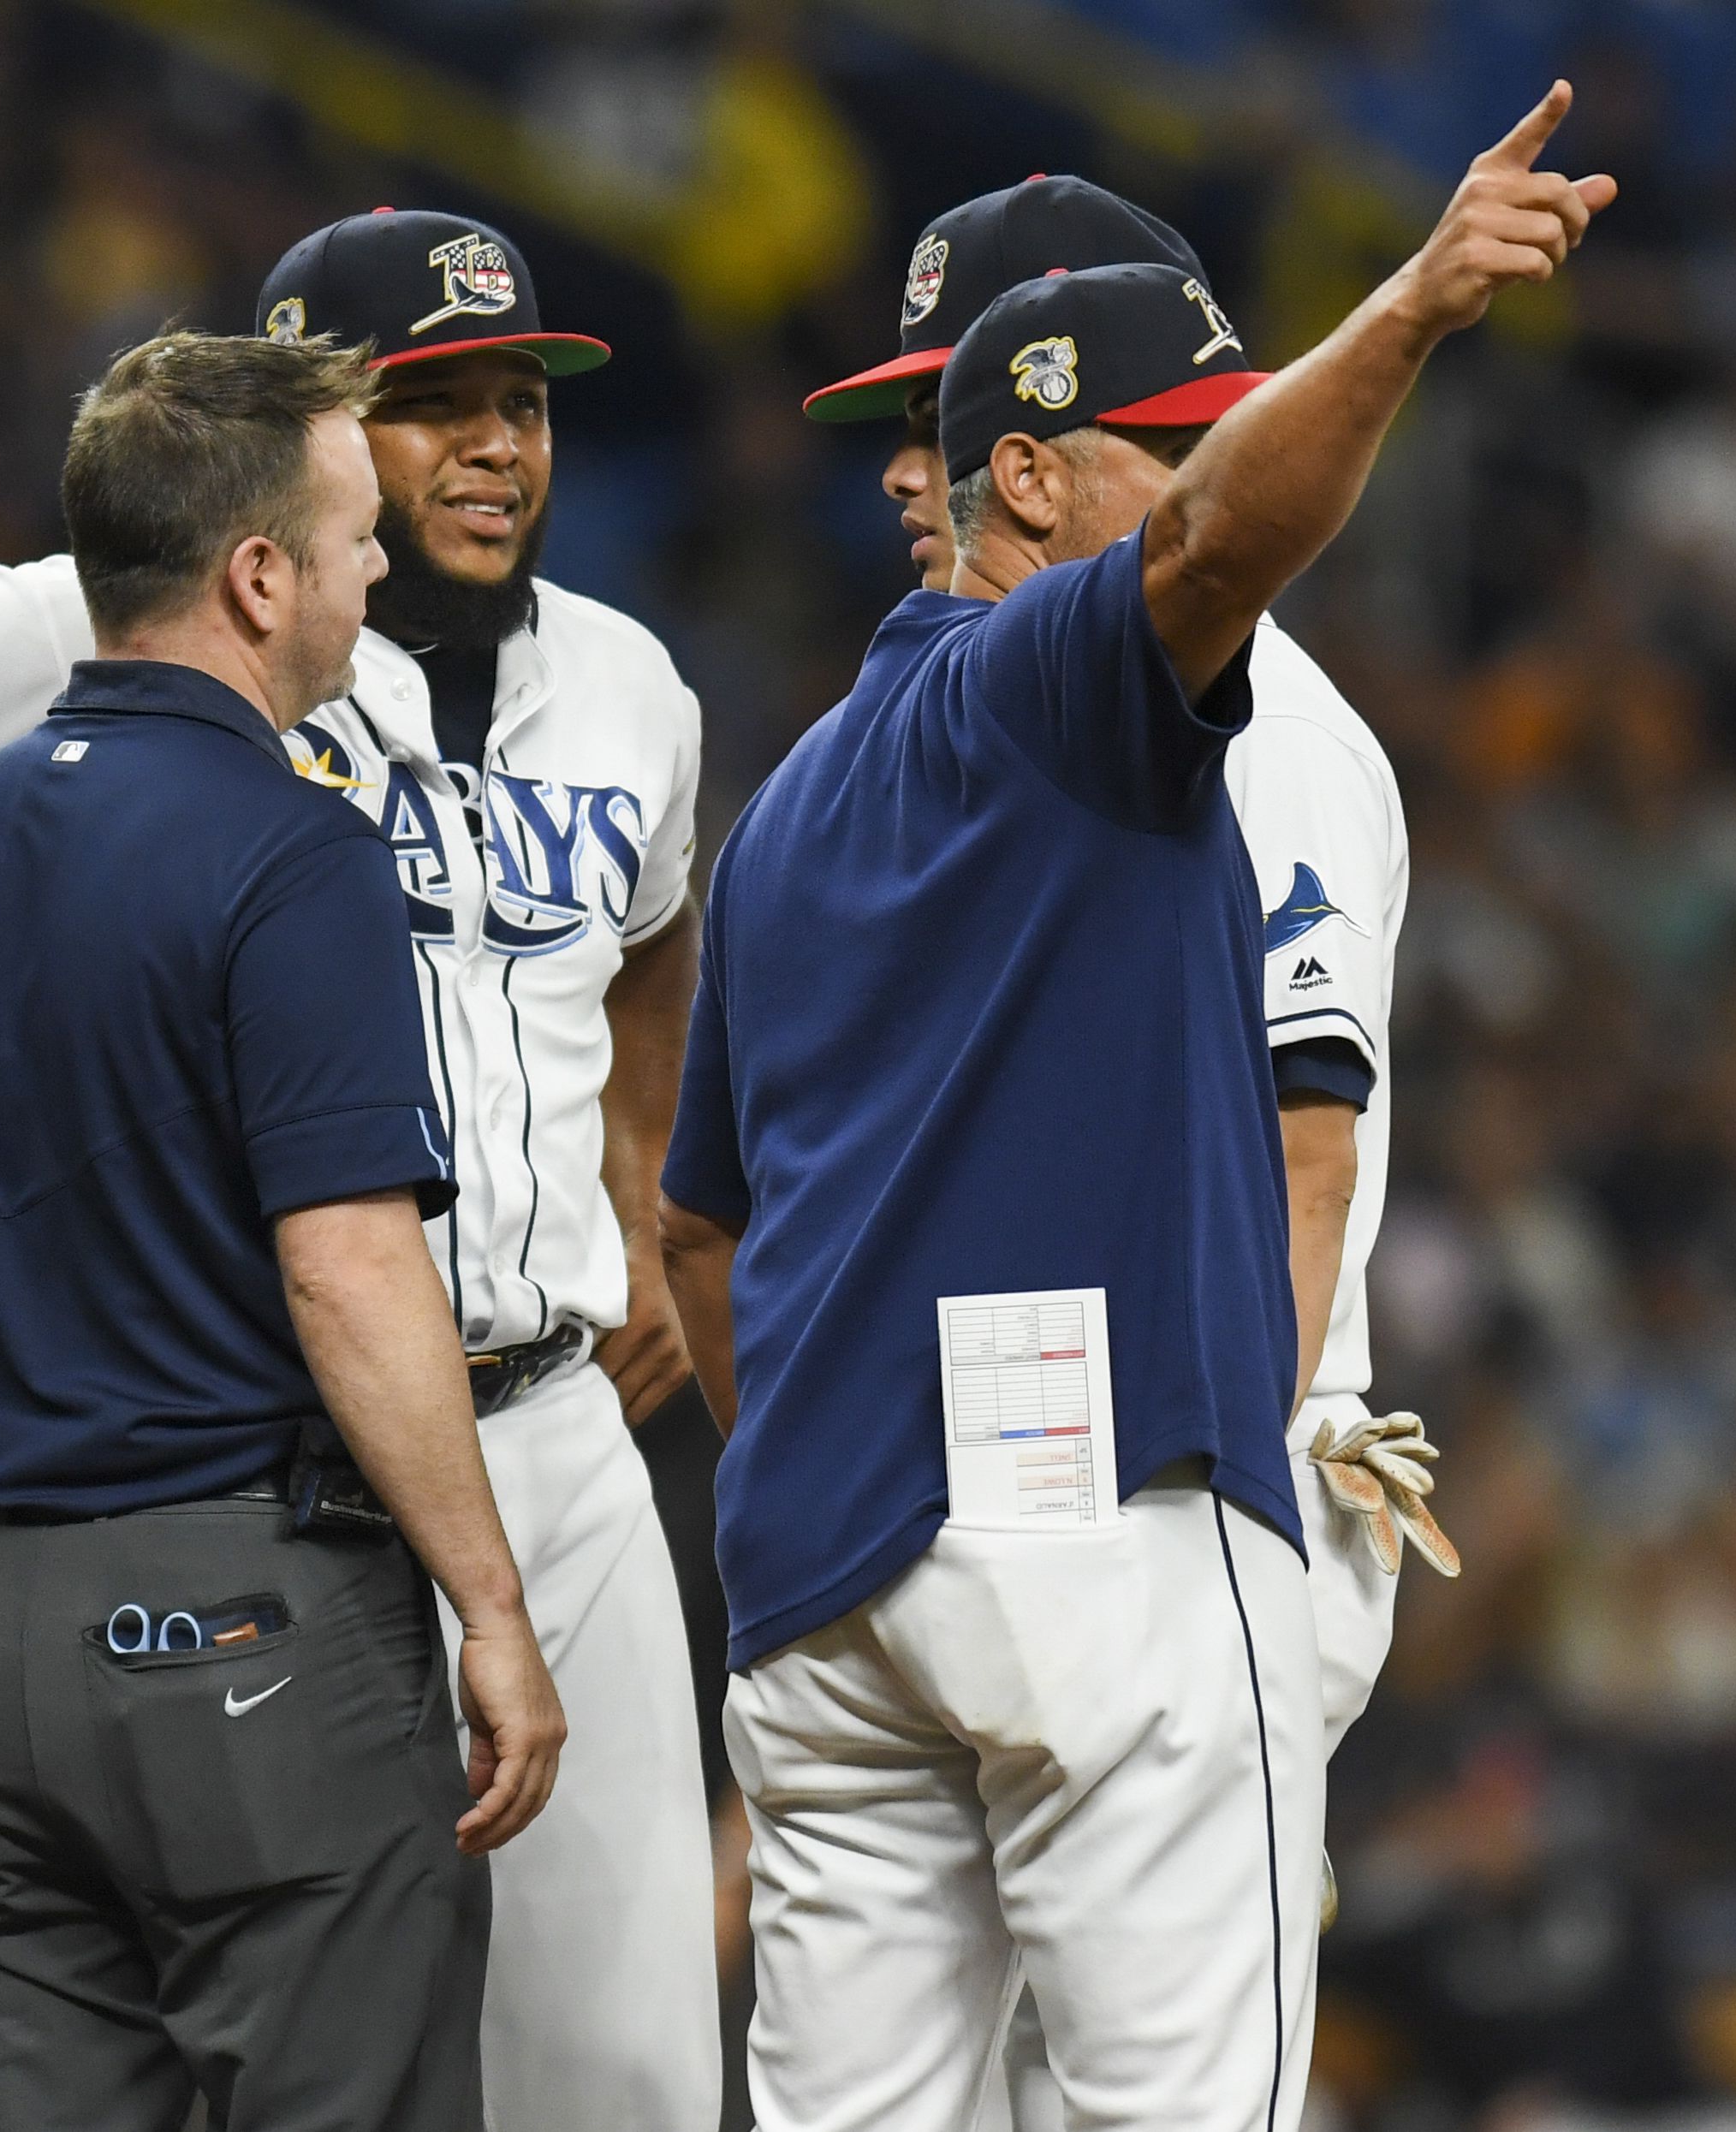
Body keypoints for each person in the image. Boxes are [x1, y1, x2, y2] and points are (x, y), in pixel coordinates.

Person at [0, 208, 721, 2129]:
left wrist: (636, 1176)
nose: (495, 444)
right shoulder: (103, 619)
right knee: (323, 2046)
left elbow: (649, 933)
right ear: (290, 449)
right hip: (256, 1450)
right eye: (428, 402)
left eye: (522, 399)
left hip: (542, 1426)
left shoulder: (631, 682)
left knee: (618, 2063)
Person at [657, 88, 1609, 2132]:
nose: (900, 464)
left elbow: (710, 1239)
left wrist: (849, 1463)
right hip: (1117, 1502)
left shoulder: (812, 785)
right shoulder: (1085, 686)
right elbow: (1199, 550)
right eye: (903, 414)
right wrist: (1420, 306)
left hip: (854, 1543)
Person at [0, 329, 565, 2132]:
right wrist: (492, 1606)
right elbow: (346, 1260)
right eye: (356, 530)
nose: (379, 567)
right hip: (243, 1629)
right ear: (258, 572)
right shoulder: (292, 853)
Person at [796, 177, 1444, 2123]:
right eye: (907, 421)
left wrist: (1215, 1534)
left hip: (1202, 1481)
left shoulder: (1269, 730)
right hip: (1015, 1510)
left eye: (948, 416)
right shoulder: (964, 730)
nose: (912, 471)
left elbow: (1298, 1143)